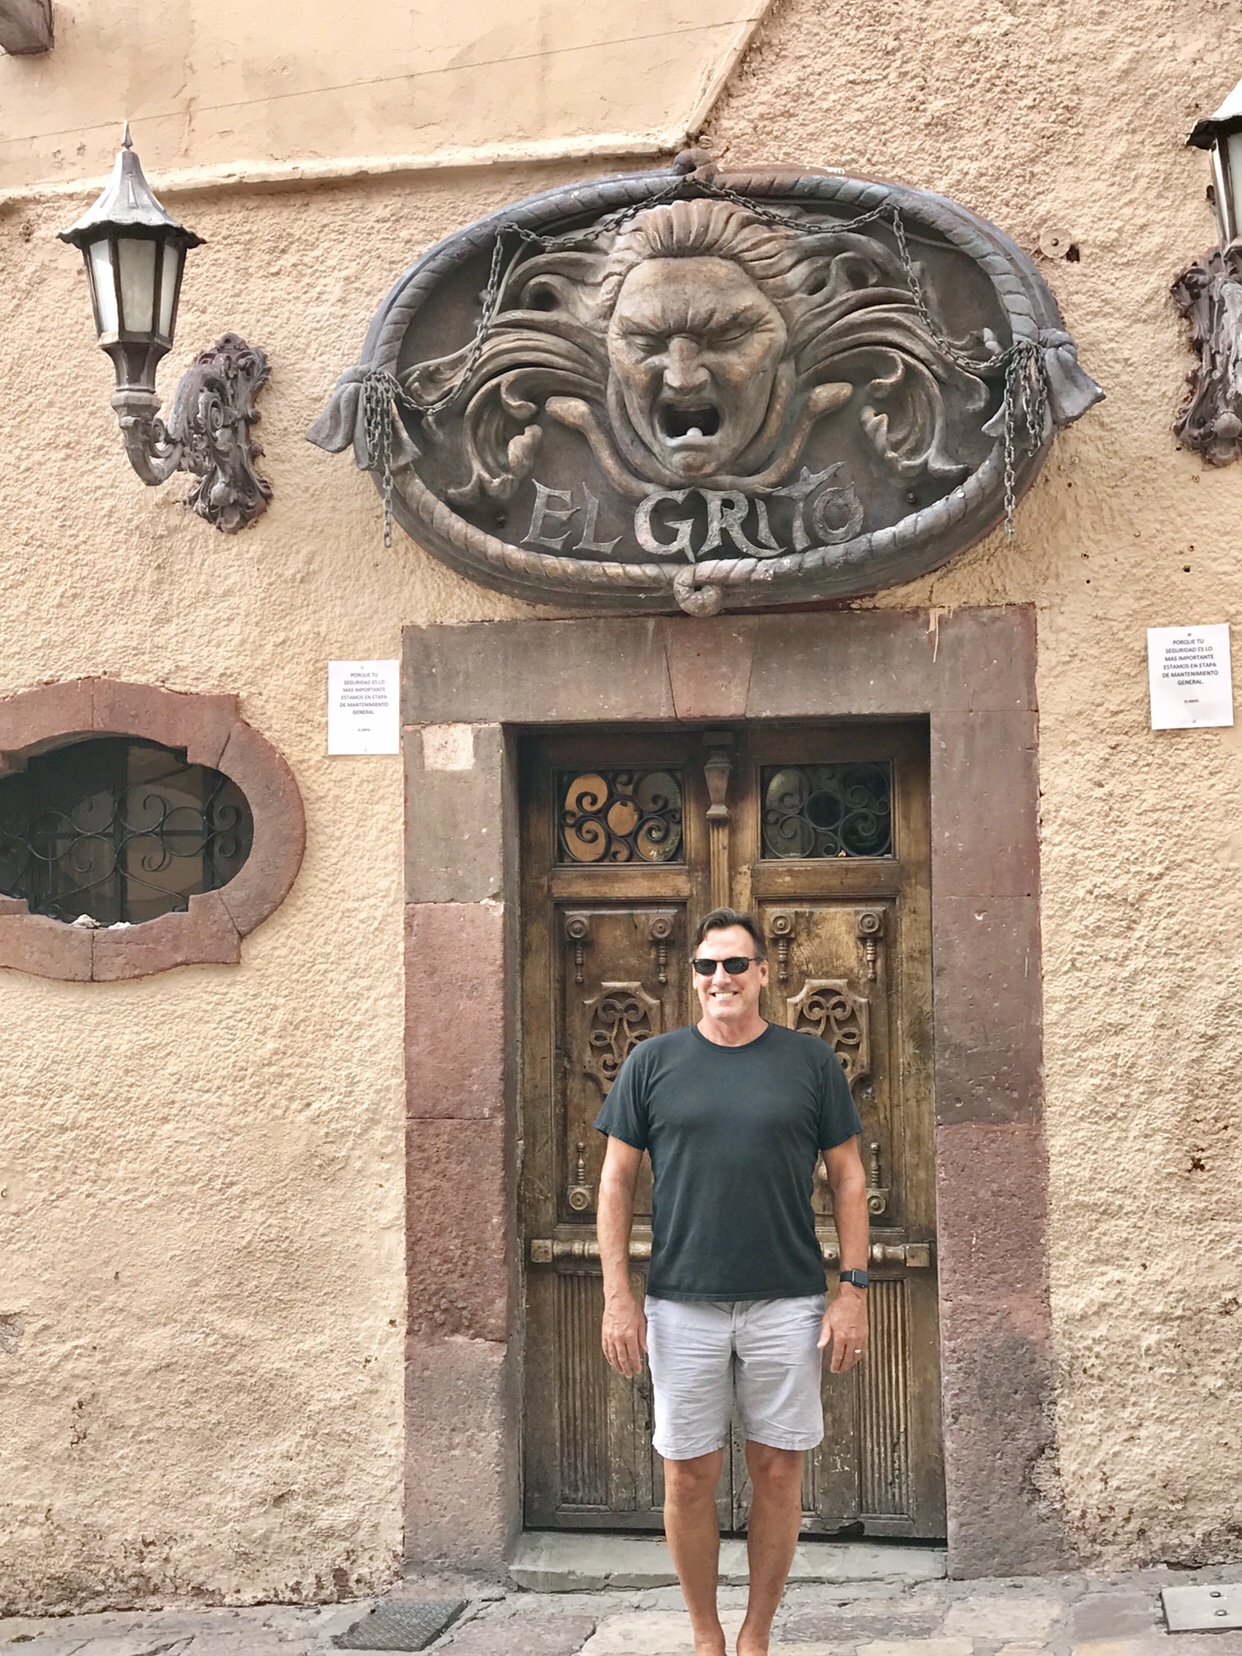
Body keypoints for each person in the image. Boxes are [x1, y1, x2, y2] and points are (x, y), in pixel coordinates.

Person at [595, 907, 870, 1656]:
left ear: (763, 974)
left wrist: (852, 1290)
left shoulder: (810, 1061)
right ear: (693, 978)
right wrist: (619, 1297)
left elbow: (849, 1177)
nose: (722, 977)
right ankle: (706, 1638)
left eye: (736, 964)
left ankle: (756, 1637)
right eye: (707, 966)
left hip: (787, 1299)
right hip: (682, 1302)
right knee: (688, 1476)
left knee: (777, 1472)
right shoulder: (651, 1063)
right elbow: (615, 1182)